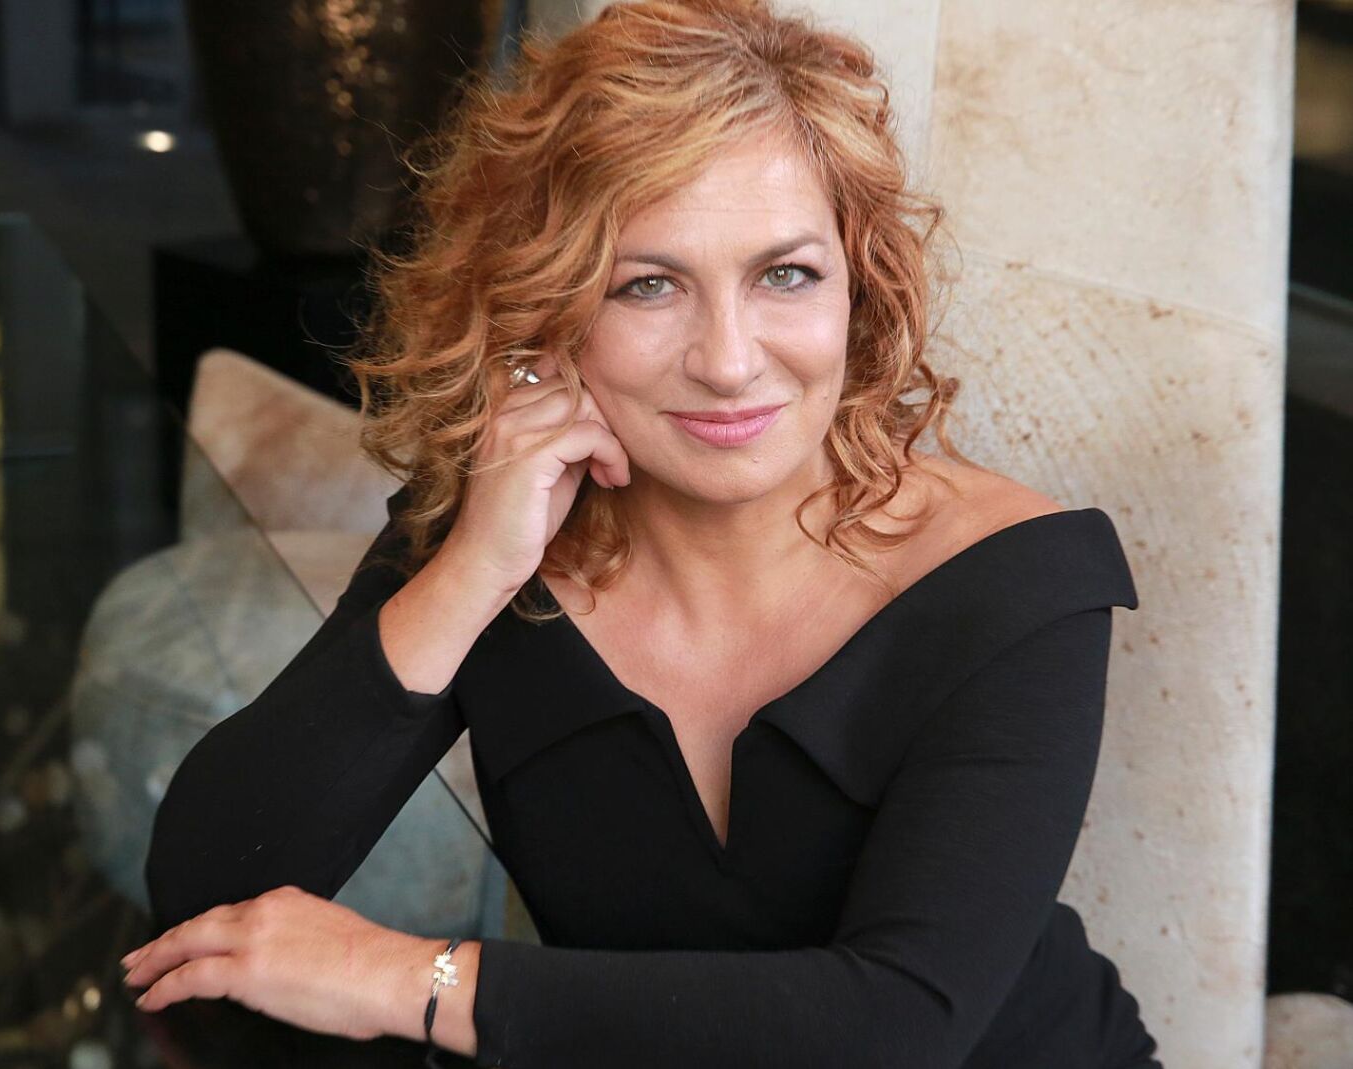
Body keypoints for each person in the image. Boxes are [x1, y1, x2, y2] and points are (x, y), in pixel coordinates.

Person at [121, 1, 1163, 1066]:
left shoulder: (1011, 581)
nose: (727, 360)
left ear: (860, 287)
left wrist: (410, 978)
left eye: (785, 274)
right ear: (547, 308)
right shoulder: (499, 530)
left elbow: (892, 1028)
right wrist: (475, 569)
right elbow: (209, 889)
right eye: (649, 285)